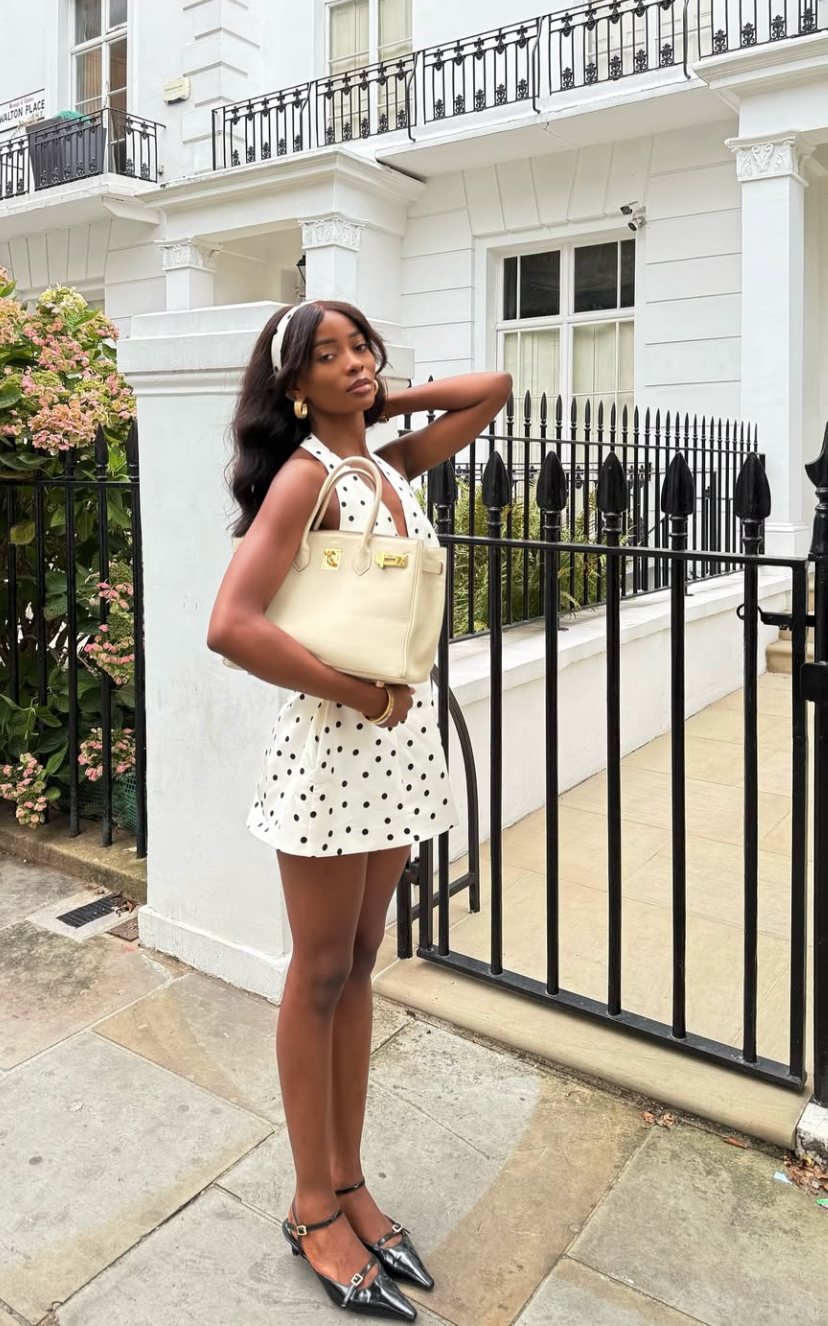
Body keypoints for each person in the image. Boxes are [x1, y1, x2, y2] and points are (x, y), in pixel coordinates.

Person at [207, 299, 511, 1320]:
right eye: (325, 356)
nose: (353, 362)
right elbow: (232, 625)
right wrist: (361, 696)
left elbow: (493, 393)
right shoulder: (307, 478)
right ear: (291, 386)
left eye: (361, 347)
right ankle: (310, 1203)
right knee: (321, 968)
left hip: (396, 743)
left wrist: (382, 399)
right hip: (341, 741)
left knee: (361, 963)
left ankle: (350, 1182)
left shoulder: (382, 467)